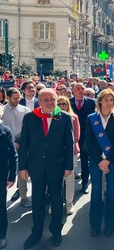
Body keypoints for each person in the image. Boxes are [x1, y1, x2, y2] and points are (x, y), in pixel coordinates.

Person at [19, 88, 74, 249]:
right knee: (37, 201)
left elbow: (69, 144)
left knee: (57, 201)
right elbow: (24, 144)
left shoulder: (64, 118)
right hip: (36, 167)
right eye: (46, 100)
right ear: (39, 101)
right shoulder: (30, 117)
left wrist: (69, 166)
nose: (50, 103)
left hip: (56, 166)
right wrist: (22, 166)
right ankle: (36, 232)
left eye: (53, 99)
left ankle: (56, 231)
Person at [85, 89, 114, 237]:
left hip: (112, 160)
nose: (109, 103)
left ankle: (110, 225)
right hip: (96, 161)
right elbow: (89, 142)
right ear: (100, 101)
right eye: (107, 99)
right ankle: (94, 225)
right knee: (96, 192)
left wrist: (108, 160)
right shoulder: (91, 118)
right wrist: (100, 161)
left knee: (112, 194)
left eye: (112, 100)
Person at [2, 88, 31, 207]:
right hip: (6, 147)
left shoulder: (25, 110)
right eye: (15, 98)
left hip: (22, 145)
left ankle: (23, 196)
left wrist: (22, 142)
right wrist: (11, 142)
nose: (17, 100)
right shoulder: (2, 110)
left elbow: (28, 129)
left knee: (22, 170)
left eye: (19, 97)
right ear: (8, 98)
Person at [70, 83, 96, 194]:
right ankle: (67, 184)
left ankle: (85, 182)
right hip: (72, 135)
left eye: (82, 88)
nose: (80, 91)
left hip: (86, 136)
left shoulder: (91, 102)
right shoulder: (68, 102)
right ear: (73, 90)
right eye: (78, 89)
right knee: (70, 160)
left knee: (85, 160)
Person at [57, 96, 80, 215]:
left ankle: (69, 202)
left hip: (71, 151)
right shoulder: (53, 117)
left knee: (69, 178)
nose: (61, 106)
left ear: (68, 105)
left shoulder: (74, 118)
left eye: (64, 104)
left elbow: (76, 137)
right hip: (56, 153)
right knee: (56, 178)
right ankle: (55, 202)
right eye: (59, 104)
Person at [0, 104, 17, 249]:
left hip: (0, 174)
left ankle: (1, 235)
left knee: (0, 206)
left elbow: (12, 155)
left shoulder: (5, 131)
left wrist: (12, 176)